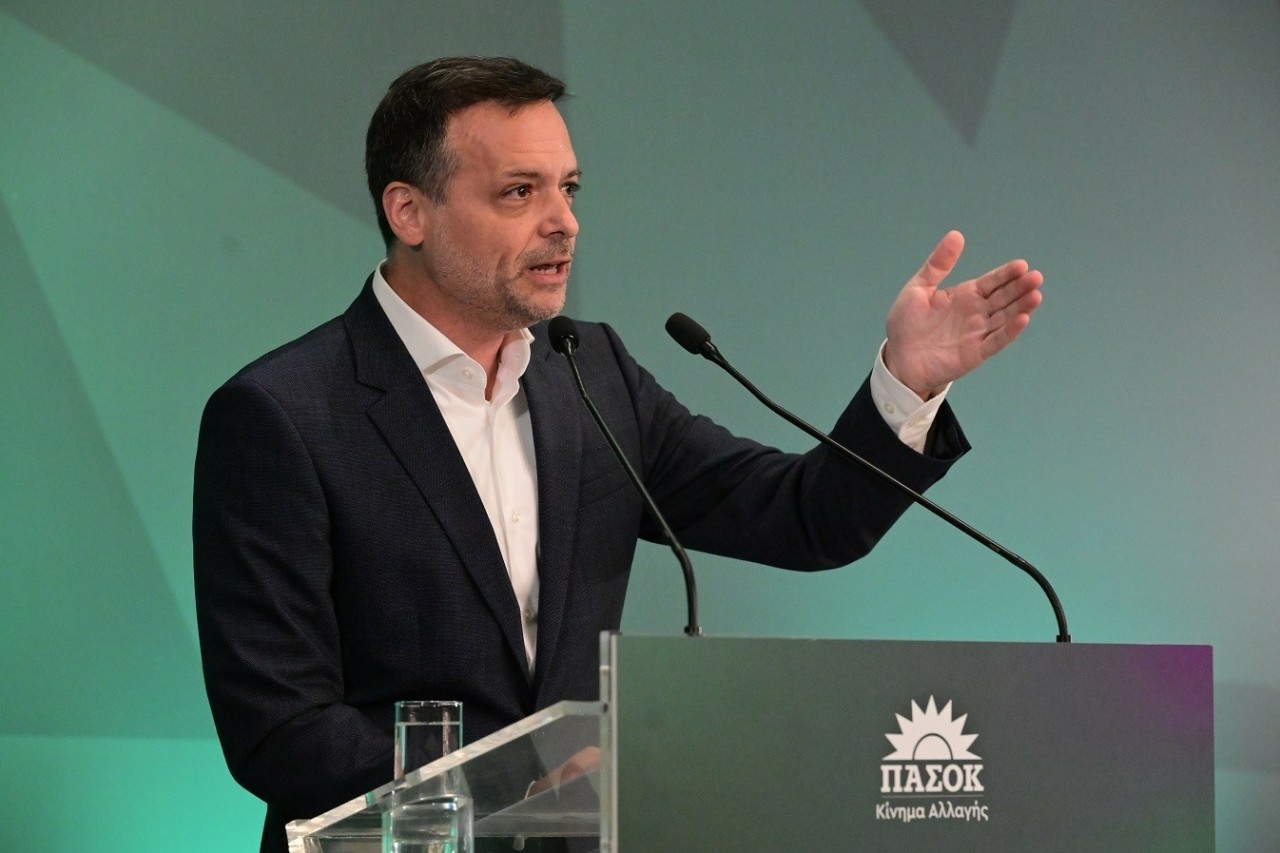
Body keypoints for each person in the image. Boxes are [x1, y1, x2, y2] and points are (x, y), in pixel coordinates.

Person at [193, 57, 1042, 852]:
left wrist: (907, 381)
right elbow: (280, 728)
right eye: (519, 192)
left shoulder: (587, 372)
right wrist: (522, 782)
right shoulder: (284, 415)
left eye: (568, 188)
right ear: (408, 212)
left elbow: (806, 519)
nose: (563, 221)